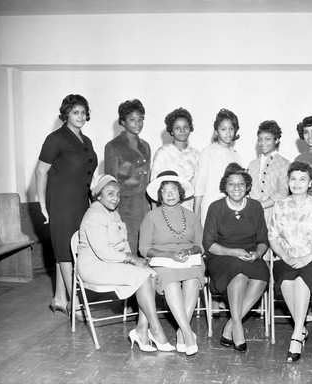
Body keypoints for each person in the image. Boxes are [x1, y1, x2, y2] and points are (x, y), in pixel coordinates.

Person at [78, 175, 175, 353]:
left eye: (118, 194)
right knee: (144, 275)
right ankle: (156, 329)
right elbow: (103, 252)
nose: (115, 198)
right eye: (110, 193)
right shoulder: (94, 214)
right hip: (94, 266)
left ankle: (141, 330)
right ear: (98, 195)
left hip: (111, 263)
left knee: (149, 273)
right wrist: (130, 259)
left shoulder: (112, 212)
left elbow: (123, 244)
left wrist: (135, 261)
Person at [35, 94, 97, 319]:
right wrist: (42, 205)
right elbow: (41, 172)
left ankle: (59, 298)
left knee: (71, 250)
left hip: (80, 202)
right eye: (75, 112)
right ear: (66, 114)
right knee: (64, 250)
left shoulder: (86, 141)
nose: (80, 116)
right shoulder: (56, 138)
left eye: (83, 112)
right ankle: (76, 304)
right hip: (60, 201)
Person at [203, 163, 269, 353]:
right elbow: (209, 244)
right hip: (222, 255)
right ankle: (238, 328)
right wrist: (233, 252)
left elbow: (263, 240)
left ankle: (230, 325)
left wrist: (257, 253)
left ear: (247, 186)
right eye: (231, 184)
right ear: (225, 186)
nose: (236, 188)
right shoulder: (215, 208)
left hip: (249, 254)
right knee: (238, 274)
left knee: (262, 273)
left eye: (241, 184)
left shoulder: (255, 206)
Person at [268, 161, 312, 362]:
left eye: (302, 179)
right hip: (286, 258)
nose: (297, 183)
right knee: (286, 280)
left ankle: (296, 336)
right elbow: (272, 237)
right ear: (288, 181)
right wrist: (286, 257)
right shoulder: (280, 205)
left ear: (310, 183)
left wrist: (306, 258)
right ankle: (301, 328)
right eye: (293, 179)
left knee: (302, 280)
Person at [139, 171, 205, 356]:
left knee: (193, 277)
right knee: (171, 281)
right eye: (165, 190)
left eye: (173, 190)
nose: (169, 194)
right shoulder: (151, 216)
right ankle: (187, 333)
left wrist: (188, 252)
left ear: (181, 193)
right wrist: (168, 255)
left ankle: (181, 332)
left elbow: (200, 246)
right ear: (160, 195)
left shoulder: (191, 216)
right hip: (163, 260)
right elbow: (144, 248)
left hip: (188, 258)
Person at [104, 99, 151, 256]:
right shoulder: (113, 146)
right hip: (125, 205)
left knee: (145, 243)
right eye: (132, 119)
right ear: (122, 121)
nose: (137, 123)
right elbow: (110, 182)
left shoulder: (146, 146)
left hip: (145, 204)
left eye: (140, 119)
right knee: (128, 246)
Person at [194, 108, 242, 224]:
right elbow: (199, 187)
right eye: (223, 129)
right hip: (211, 207)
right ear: (216, 131)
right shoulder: (207, 153)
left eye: (231, 129)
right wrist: (196, 218)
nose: (228, 133)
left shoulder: (236, 155)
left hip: (232, 207)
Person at [150, 108, 199, 210]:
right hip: (166, 210)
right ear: (171, 131)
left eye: (185, 127)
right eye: (177, 127)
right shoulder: (162, 153)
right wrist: (155, 216)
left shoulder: (196, 155)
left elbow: (198, 189)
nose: (182, 130)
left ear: (190, 129)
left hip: (188, 210)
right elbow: (154, 188)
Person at [247, 120, 290, 226]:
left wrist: (261, 205)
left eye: (267, 139)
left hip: (273, 216)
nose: (263, 143)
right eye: (260, 139)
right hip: (251, 215)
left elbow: (283, 192)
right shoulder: (252, 164)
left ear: (277, 140)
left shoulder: (285, 163)